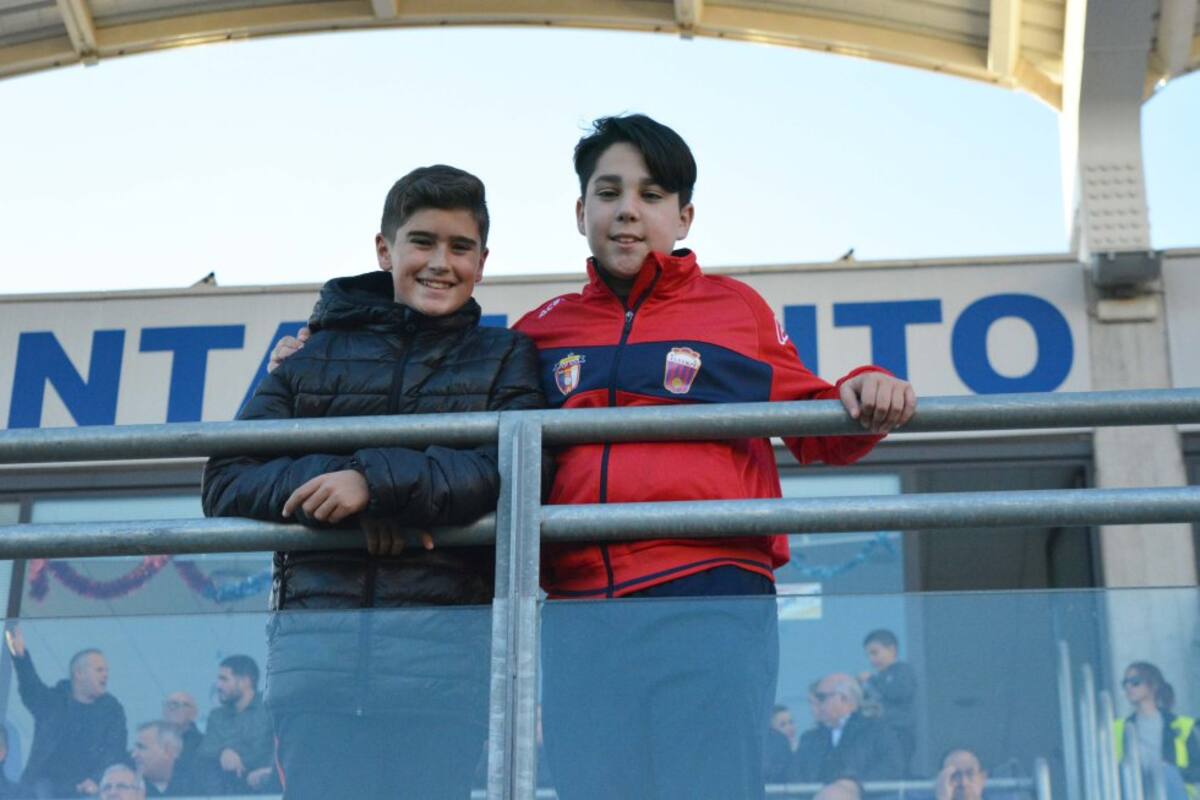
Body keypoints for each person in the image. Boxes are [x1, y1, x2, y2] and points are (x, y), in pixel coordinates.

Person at [268, 116, 915, 799]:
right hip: (579, 611)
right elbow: (446, 424)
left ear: (684, 217)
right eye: (608, 193)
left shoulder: (737, 310)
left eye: (651, 195)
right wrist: (317, 357)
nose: (628, 210)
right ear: (581, 213)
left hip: (710, 595)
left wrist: (866, 388)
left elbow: (819, 427)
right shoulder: (540, 331)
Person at [203, 164, 545, 799]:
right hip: (317, 677)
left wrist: (372, 480)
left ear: (482, 261)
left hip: (441, 681)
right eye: (422, 241)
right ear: (385, 250)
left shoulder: (506, 356)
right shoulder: (312, 355)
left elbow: (505, 472)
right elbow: (227, 478)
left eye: (460, 246)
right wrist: (352, 499)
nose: (440, 262)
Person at [4, 626, 127, 798]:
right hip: (44, 787)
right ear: (79, 673)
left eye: (106, 670)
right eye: (99, 670)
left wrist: (96, 779)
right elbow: (31, 689)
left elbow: (115, 751)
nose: (106, 675)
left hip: (86, 790)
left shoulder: (112, 711)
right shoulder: (54, 702)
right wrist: (21, 657)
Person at [794, 673, 904, 784]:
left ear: (844, 698)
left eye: (822, 698)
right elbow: (796, 777)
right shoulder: (809, 739)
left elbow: (892, 768)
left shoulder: (877, 731)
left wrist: (852, 786)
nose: (818, 704)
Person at [1114, 661, 1200, 800]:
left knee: (1167, 772)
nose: (1128, 687)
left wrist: (1172, 771)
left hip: (1173, 791)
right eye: (1125, 683)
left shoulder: (1181, 725)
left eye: (1135, 682)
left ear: (1152, 685)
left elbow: (1197, 770)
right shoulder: (1119, 728)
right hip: (1137, 791)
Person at [194, 656, 273, 794]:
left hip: (266, 789)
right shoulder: (216, 716)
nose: (218, 686)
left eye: (224, 679)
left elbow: (271, 750)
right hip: (224, 790)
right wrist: (222, 752)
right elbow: (204, 752)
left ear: (245, 681)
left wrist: (237, 757)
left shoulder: (270, 709)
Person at [859, 628, 917, 771]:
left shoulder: (902, 671)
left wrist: (871, 681)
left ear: (892, 650)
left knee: (897, 767)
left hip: (899, 731)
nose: (871, 659)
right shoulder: (879, 678)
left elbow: (898, 692)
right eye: (868, 655)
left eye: (875, 653)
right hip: (880, 732)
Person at [132, 721, 202, 797]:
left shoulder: (198, 786)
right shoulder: (127, 785)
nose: (134, 755)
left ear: (168, 751)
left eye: (142, 747)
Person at [160, 693, 202, 777]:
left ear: (194, 714)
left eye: (184, 705)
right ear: (164, 711)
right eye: (171, 704)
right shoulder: (152, 739)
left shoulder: (205, 744)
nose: (174, 708)